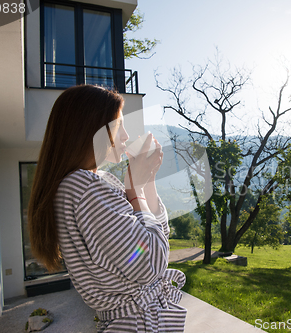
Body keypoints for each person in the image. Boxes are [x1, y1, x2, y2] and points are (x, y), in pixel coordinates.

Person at [28, 85, 186, 332]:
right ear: (89, 130)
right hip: (139, 324)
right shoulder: (84, 188)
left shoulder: (88, 183)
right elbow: (150, 264)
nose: (125, 135)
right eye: (118, 125)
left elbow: (157, 236)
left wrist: (146, 181)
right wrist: (134, 191)